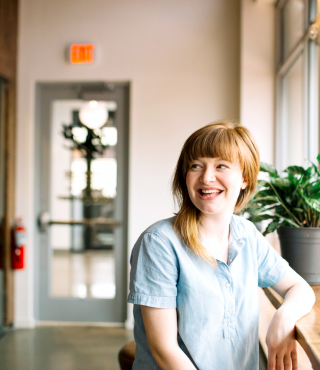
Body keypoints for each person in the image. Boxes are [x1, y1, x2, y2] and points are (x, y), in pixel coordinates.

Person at [127, 121, 315, 370]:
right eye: (196, 166)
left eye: (221, 166)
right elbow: (165, 351)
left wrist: (283, 317)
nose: (206, 177)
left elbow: (299, 288)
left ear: (245, 178)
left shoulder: (246, 234)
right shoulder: (159, 243)